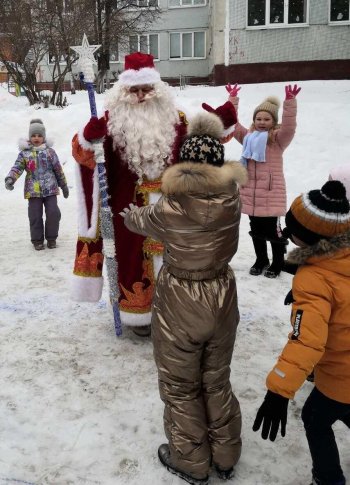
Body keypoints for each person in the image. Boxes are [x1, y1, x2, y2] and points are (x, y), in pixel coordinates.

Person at [71, 51, 237, 337]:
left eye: (146, 88)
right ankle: (142, 316)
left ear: (157, 89)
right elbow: (84, 156)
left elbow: (203, 147)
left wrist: (218, 122)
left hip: (176, 207)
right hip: (129, 210)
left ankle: (178, 315)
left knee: (180, 262)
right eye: (133, 90)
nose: (140, 95)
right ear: (123, 91)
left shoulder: (179, 119)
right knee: (133, 261)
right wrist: (89, 138)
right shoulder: (111, 123)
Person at [121, 109, 247, 484]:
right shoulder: (232, 199)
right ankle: (226, 455)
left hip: (181, 299)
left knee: (181, 385)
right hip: (222, 294)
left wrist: (131, 215)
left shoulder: (171, 207)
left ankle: (191, 460)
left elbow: (139, 220)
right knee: (216, 378)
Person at [252, 180, 350, 485]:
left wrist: (279, 391)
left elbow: (306, 341)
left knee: (315, 418)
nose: (283, 233)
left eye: (290, 229)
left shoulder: (315, 279)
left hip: (342, 376)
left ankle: (328, 479)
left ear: (307, 238)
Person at [226, 82, 301, 278]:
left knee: (273, 231)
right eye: (258, 118)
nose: (261, 121)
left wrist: (290, 103)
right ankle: (261, 260)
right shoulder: (248, 137)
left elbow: (290, 127)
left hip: (270, 193)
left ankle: (277, 262)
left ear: (273, 121)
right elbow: (233, 124)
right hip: (251, 193)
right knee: (256, 229)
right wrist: (232, 100)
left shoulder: (277, 139)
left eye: (266, 118)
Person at [4, 118, 69, 250]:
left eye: (39, 135)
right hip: (33, 191)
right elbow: (17, 168)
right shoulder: (24, 154)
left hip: (50, 189)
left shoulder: (50, 152)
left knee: (53, 213)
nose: (36, 138)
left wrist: (64, 185)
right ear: (29, 137)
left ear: (44, 137)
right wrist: (11, 178)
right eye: (33, 135)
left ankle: (51, 238)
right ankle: (37, 240)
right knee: (34, 215)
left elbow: (58, 169)